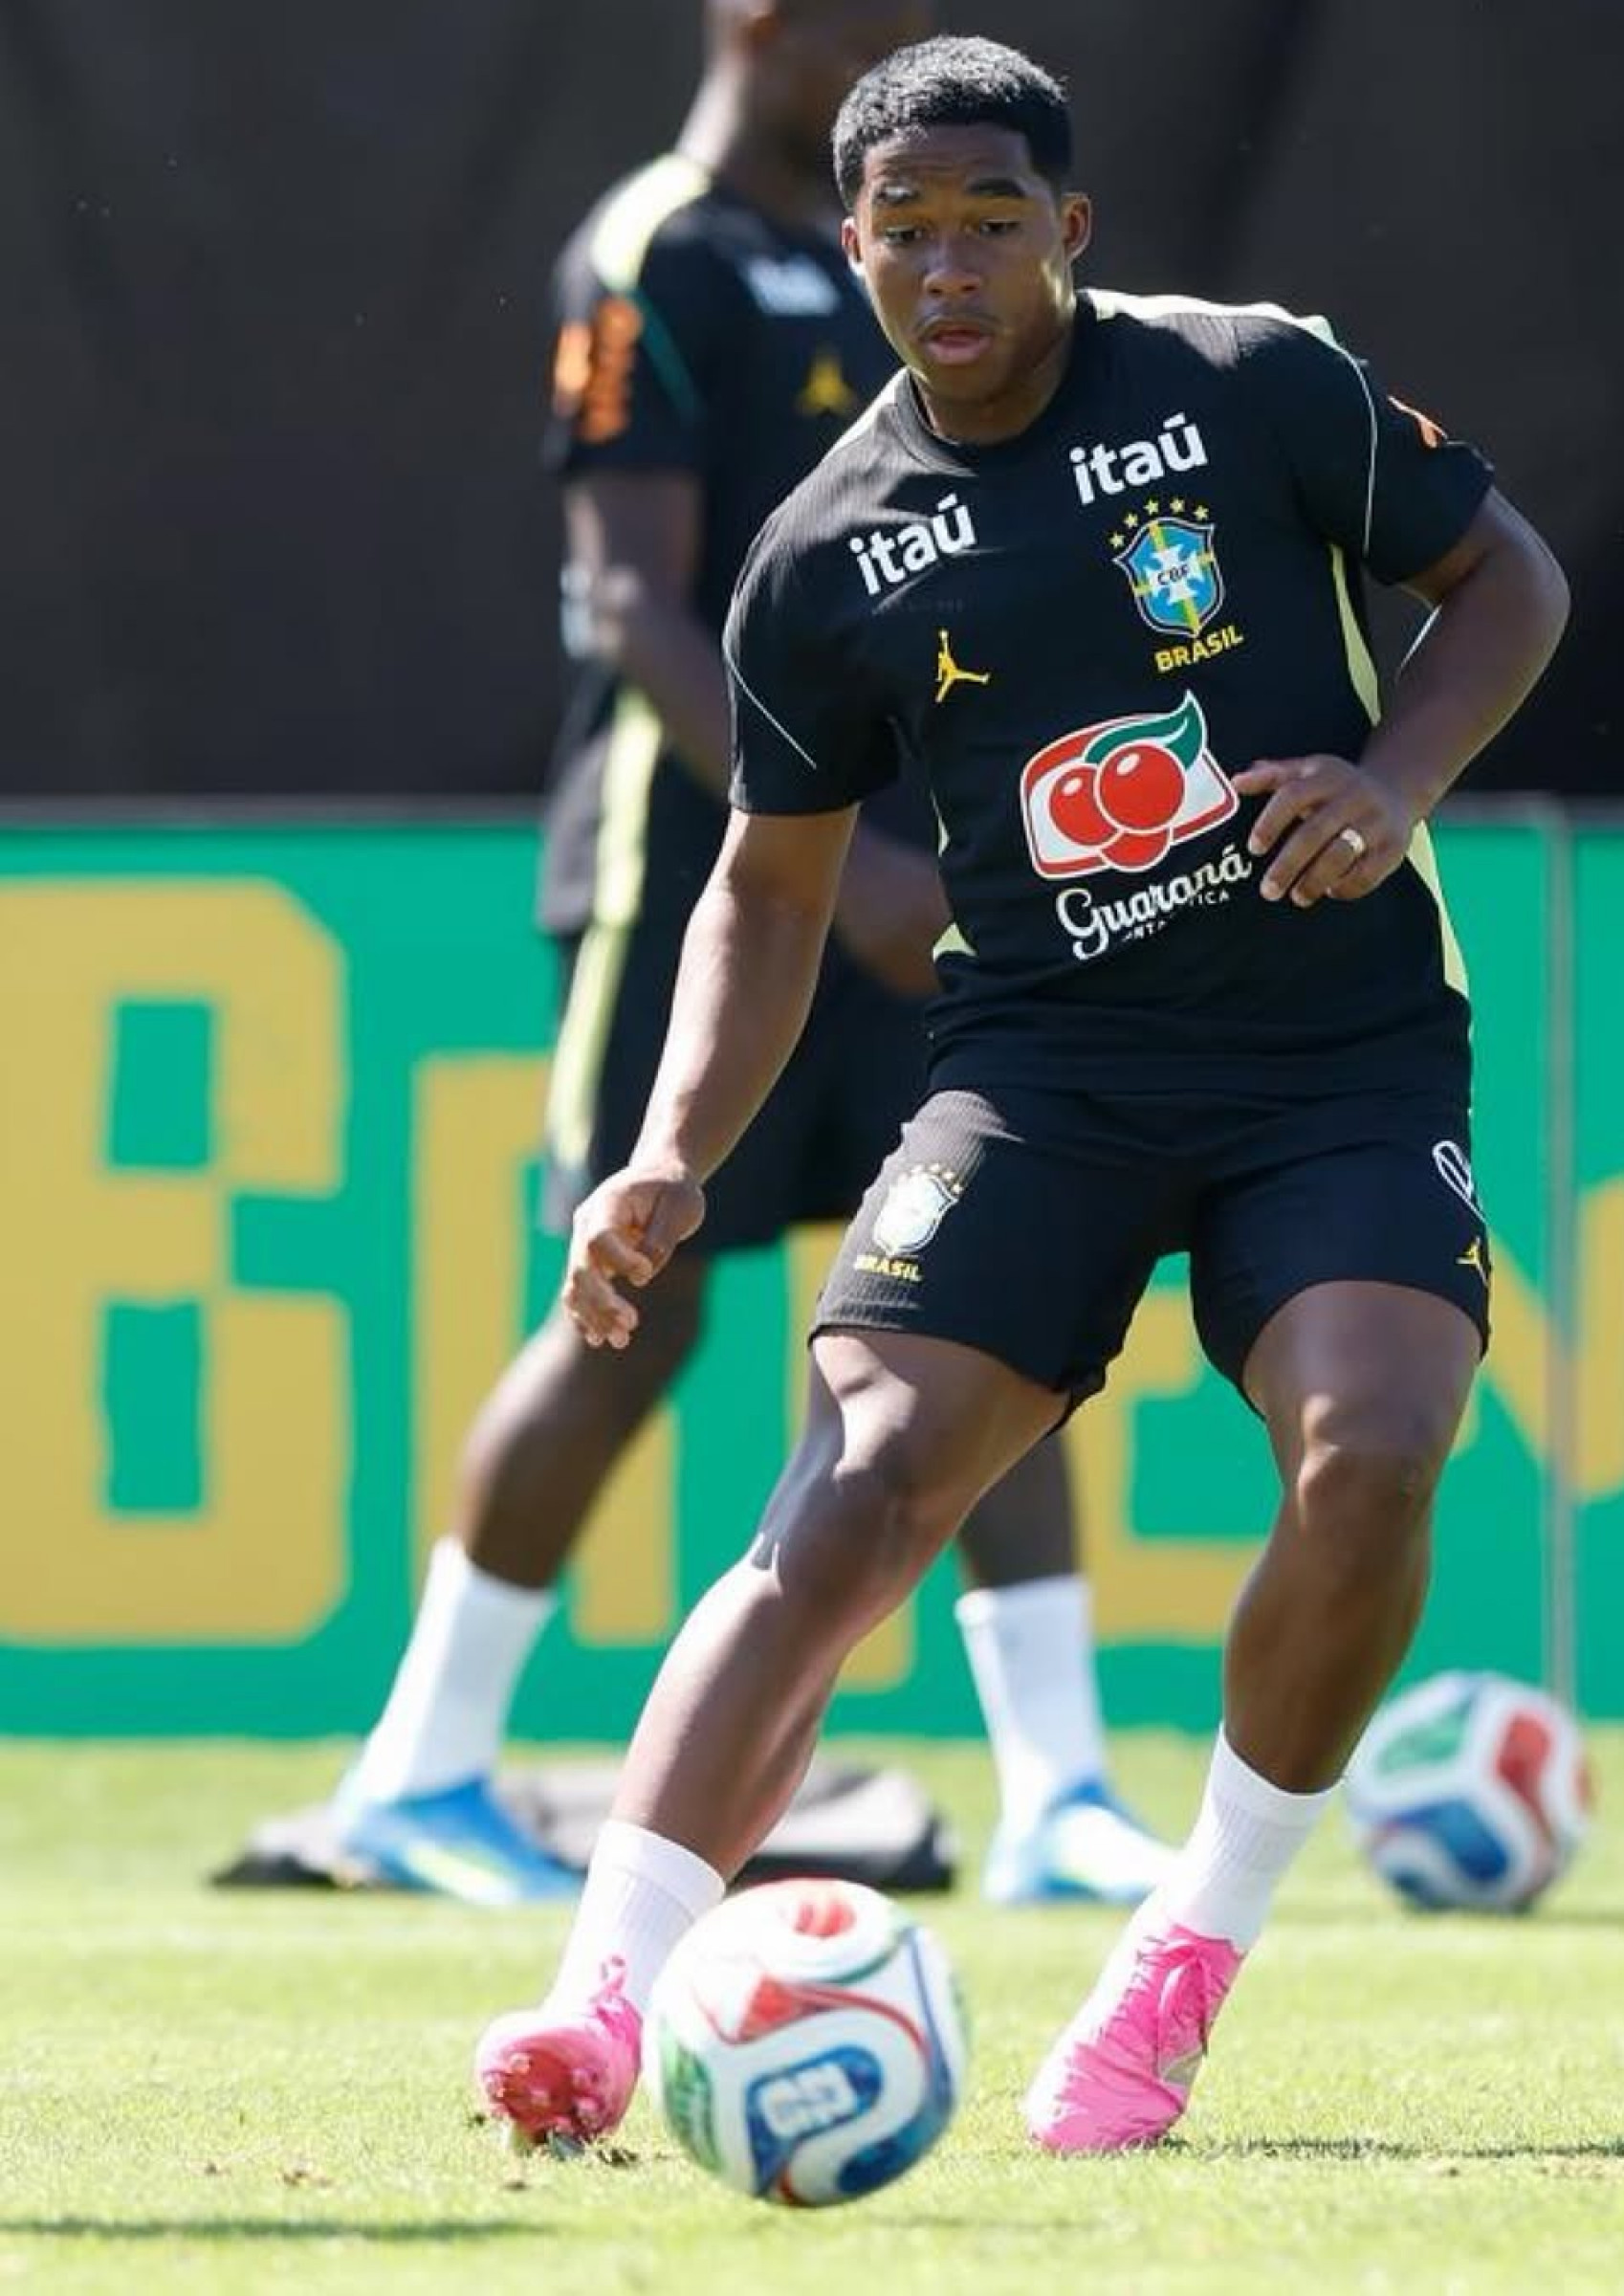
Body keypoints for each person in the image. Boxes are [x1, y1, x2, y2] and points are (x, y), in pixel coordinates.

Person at [471, 33, 1569, 2155]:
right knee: (856, 1487)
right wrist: (669, 1158)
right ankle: (596, 2005)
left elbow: (1507, 576)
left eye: (995, 222)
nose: (950, 265)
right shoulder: (822, 554)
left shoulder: (1253, 381)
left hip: (1332, 1054)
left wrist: (1392, 774)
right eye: (907, 229)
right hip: (1045, 1072)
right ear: (857, 244)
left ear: (1071, 231)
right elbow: (763, 893)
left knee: (1375, 1452)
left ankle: (1179, 1961)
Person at [331, 0, 1171, 1914]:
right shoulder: (660, 251)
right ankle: (419, 1765)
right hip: (691, 876)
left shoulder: (859, 253)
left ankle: (1058, 1791)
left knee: (976, 1285)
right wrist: (839, 857)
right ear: (764, 23)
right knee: (648, 1291)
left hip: (915, 877)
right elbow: (631, 599)